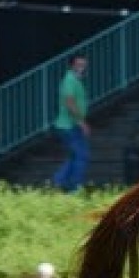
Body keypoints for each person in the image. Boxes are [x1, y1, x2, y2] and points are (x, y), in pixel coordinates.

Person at [52, 53, 91, 192]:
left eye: (83, 64)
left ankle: (59, 180)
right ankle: (73, 188)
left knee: (75, 155)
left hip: (71, 126)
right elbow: (69, 102)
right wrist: (81, 122)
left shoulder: (75, 80)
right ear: (71, 65)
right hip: (69, 126)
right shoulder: (69, 80)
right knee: (82, 155)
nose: (81, 67)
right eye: (78, 64)